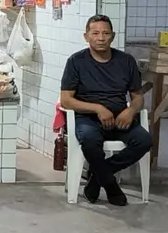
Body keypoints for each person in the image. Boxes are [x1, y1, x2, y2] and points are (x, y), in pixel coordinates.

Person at [60, 14, 151, 206]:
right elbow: (66, 100)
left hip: (120, 118)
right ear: (86, 37)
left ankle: (98, 175)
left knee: (144, 141)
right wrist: (97, 108)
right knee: (90, 141)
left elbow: (138, 97)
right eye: (95, 33)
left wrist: (131, 110)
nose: (101, 38)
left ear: (113, 36)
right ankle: (111, 186)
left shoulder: (126, 61)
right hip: (88, 118)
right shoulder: (76, 62)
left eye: (105, 33)